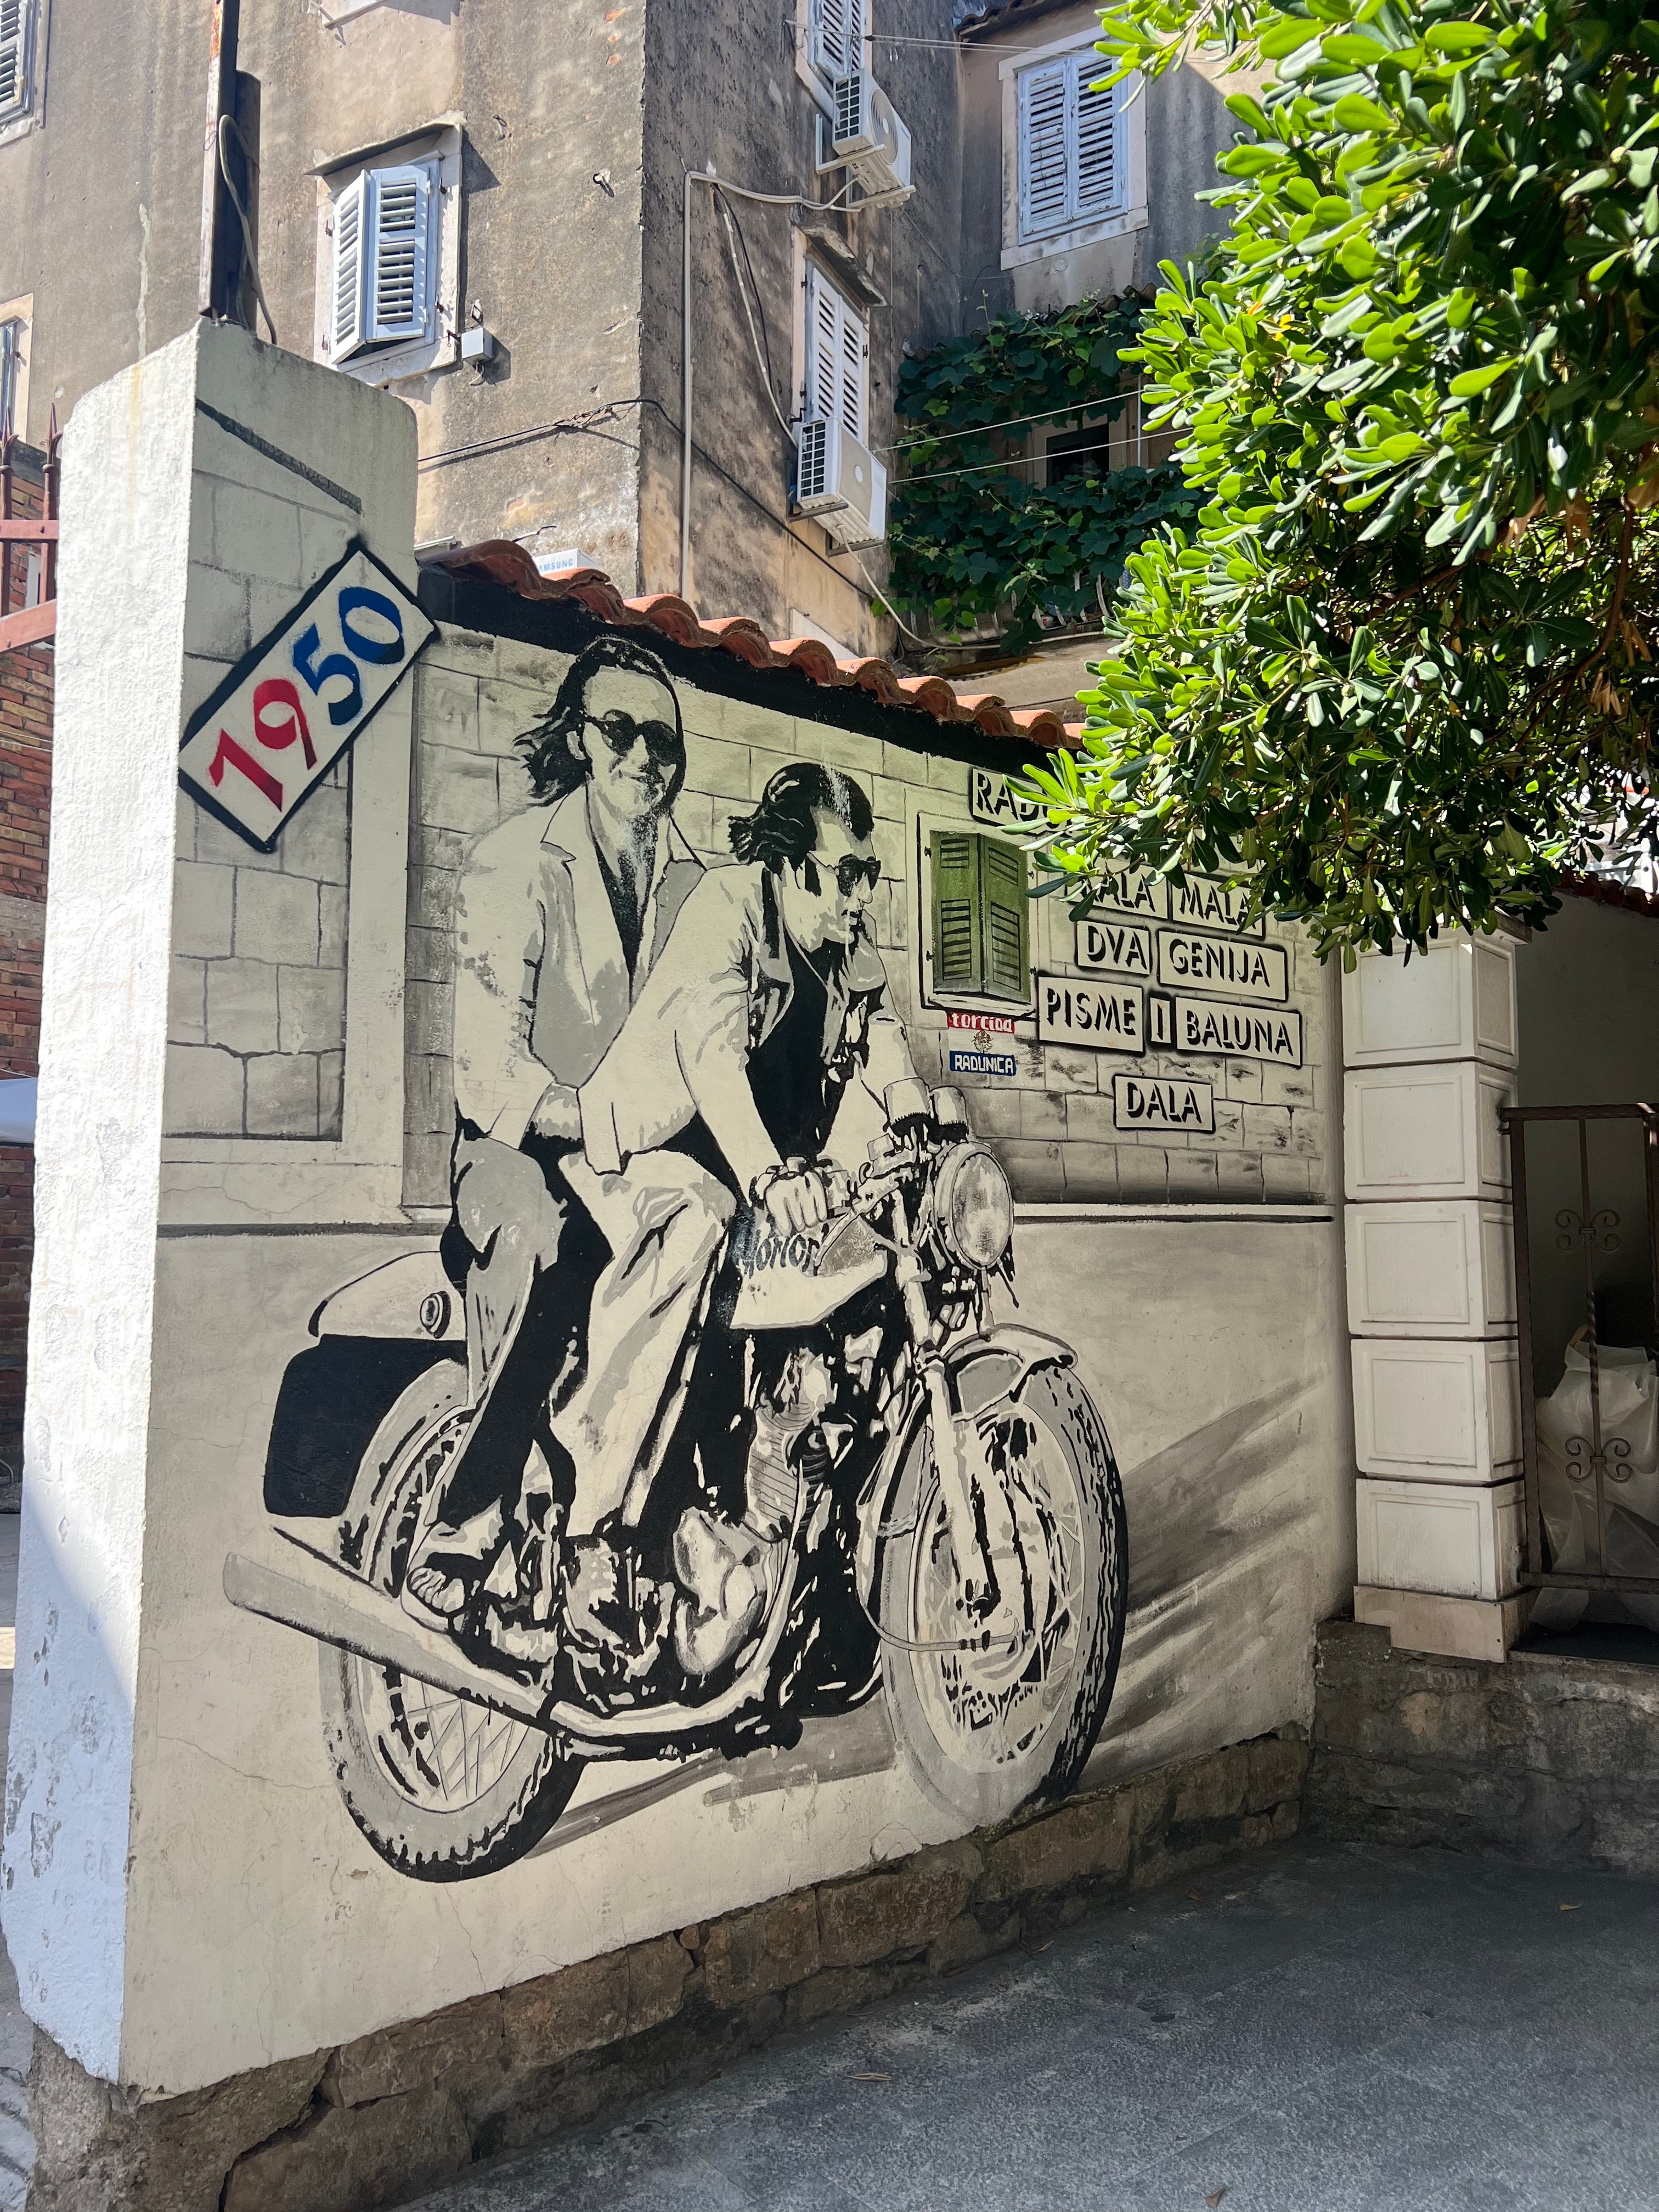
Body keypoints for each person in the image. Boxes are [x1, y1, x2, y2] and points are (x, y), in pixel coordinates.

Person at [558, 761, 918, 1675]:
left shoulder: (844, 944)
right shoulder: (728, 911)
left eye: (867, 873)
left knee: (863, 1278)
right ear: (791, 864)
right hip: (644, 1156)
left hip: (747, 1177)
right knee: (690, 1229)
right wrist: (769, 1177)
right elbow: (712, 1061)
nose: (859, 894)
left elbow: (880, 1038)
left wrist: (922, 1113)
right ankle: (594, 1536)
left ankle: (812, 1551)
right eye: (844, 874)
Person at [403, 634, 703, 1625]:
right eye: (620, 731)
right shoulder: (514, 860)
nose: (644, 758)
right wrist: (596, 1125)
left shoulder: (689, 884)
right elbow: (490, 1069)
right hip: (512, 1149)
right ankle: (471, 1514)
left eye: (663, 740)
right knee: (563, 1248)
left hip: (629, 1149)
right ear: (581, 738)